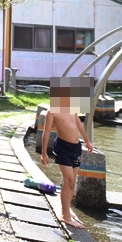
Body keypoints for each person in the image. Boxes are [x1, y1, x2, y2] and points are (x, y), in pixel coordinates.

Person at [41, 97, 94, 229]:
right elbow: (46, 132)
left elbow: (79, 125)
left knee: (72, 182)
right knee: (69, 179)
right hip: (62, 147)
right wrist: (43, 153)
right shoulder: (52, 110)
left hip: (76, 147)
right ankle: (65, 216)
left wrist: (87, 141)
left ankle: (66, 209)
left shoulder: (72, 108)